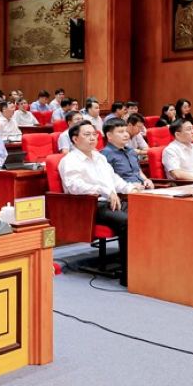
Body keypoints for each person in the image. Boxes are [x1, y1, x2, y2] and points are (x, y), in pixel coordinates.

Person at [59, 120, 137, 286]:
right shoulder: (70, 160)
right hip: (91, 206)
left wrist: (131, 189)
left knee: (144, 213)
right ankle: (129, 275)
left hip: (112, 201)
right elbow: (74, 187)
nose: (93, 138)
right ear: (75, 139)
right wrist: (105, 191)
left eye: (94, 134)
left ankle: (145, 265)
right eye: (87, 134)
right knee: (127, 221)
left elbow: (114, 179)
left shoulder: (99, 157)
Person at [101, 118, 153, 189]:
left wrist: (146, 180)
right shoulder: (104, 155)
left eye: (126, 131)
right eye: (121, 132)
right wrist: (129, 186)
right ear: (109, 135)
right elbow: (107, 180)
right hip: (125, 192)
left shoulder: (131, 151)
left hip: (142, 188)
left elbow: (138, 171)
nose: (126, 135)